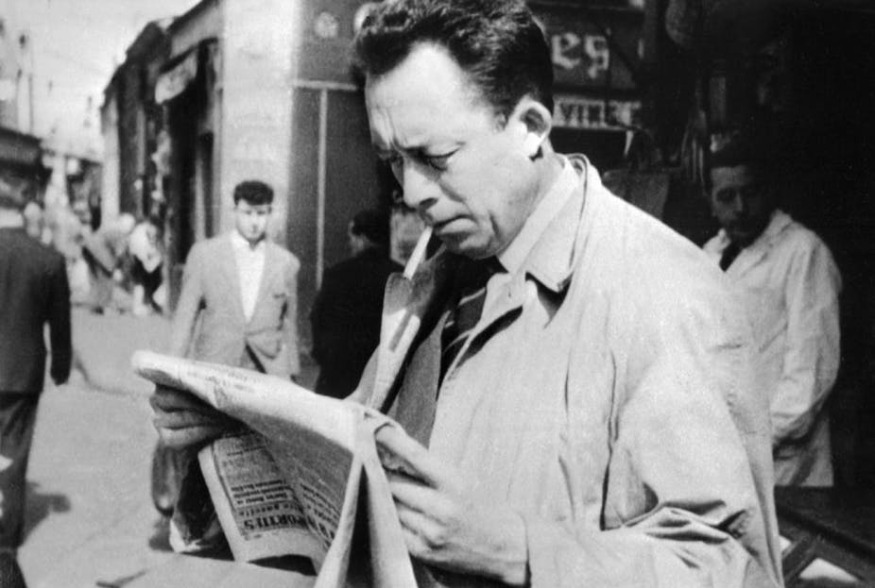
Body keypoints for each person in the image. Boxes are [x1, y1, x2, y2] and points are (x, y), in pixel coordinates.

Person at [152, 1, 782, 586]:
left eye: (436, 156)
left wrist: (518, 549)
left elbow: (733, 565)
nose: (412, 192)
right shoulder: (443, 264)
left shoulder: (665, 292)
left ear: (530, 126)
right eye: (392, 161)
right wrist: (244, 438)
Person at [152, 180, 301, 517]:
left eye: (262, 214)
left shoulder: (285, 262)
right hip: (216, 364)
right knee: (206, 444)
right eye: (248, 213)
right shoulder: (205, 255)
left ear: (270, 214)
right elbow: (185, 317)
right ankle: (200, 517)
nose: (255, 222)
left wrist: (291, 376)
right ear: (234, 210)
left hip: (266, 368)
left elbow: (289, 324)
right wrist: (171, 372)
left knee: (261, 450)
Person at [703, 136, 842, 487]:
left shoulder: (803, 252)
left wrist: (757, 442)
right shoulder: (709, 255)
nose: (740, 208)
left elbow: (809, 373)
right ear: (711, 203)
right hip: (722, 455)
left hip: (784, 464)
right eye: (726, 196)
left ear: (769, 192)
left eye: (750, 193)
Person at [0, 183, 72, 587]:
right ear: (23, 210)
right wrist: (61, 366)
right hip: (22, 373)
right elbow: (60, 323)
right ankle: (5, 539)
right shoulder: (47, 258)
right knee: (12, 454)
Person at [311, 208, 402, 398]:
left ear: (361, 238)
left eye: (351, 237)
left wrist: (326, 358)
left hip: (339, 376)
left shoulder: (337, 274)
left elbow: (318, 320)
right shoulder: (400, 275)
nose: (350, 243)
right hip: (383, 377)